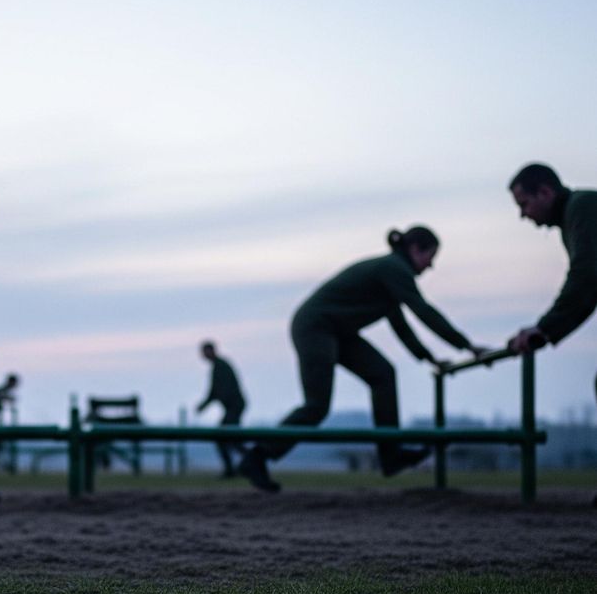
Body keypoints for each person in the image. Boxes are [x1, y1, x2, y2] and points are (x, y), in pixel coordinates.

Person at [239, 225, 486, 493]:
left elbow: (401, 326)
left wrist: (429, 359)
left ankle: (391, 456)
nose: (430, 267)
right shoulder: (394, 268)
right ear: (415, 249)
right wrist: (467, 345)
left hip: (337, 331)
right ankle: (257, 456)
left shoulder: (392, 275)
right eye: (430, 257)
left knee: (383, 374)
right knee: (316, 406)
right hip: (315, 327)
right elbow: (422, 311)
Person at [506, 164, 597, 365]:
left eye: (524, 204)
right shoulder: (574, 214)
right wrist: (547, 330)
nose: (523, 215)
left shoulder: (582, 207)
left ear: (545, 192)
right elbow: (588, 293)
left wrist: (545, 327)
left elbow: (586, 275)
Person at [195, 341, 247, 477]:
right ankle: (245, 465)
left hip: (234, 407)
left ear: (211, 351)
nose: (203, 355)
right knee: (231, 439)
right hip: (233, 407)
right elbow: (215, 392)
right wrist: (204, 405)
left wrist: (204, 405)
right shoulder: (218, 366)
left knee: (225, 438)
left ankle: (242, 466)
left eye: (205, 351)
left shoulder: (220, 366)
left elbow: (218, 391)